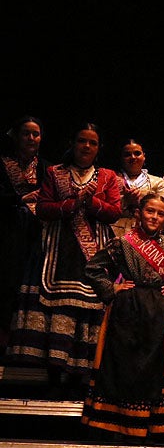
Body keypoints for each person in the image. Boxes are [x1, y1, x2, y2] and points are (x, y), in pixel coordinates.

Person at [5, 122, 121, 398]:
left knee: (88, 305)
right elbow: (43, 207)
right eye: (82, 140)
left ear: (98, 148)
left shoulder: (106, 177)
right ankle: (54, 372)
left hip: (92, 252)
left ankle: (80, 376)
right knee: (55, 305)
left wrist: (92, 203)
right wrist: (70, 204)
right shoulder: (55, 173)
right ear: (73, 143)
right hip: (58, 250)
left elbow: (115, 211)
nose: (87, 147)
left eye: (93, 143)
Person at [81, 193, 164, 441]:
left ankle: (152, 429)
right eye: (150, 211)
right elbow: (93, 268)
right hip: (128, 310)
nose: (154, 217)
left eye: (160, 213)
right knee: (125, 365)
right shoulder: (123, 243)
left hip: (160, 312)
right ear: (138, 213)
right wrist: (113, 289)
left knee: (156, 367)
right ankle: (118, 427)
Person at [0, 116, 50, 355]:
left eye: (36, 134)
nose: (31, 138)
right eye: (26, 133)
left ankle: (24, 347)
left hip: (36, 235)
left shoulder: (46, 168)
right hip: (7, 233)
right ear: (16, 136)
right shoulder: (3, 164)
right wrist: (21, 199)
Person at [111, 139, 164, 238]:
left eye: (137, 153)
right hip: (115, 234)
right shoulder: (111, 180)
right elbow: (105, 211)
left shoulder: (158, 182)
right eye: (127, 154)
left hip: (148, 236)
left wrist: (140, 203)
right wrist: (125, 201)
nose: (133, 157)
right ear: (121, 158)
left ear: (144, 156)